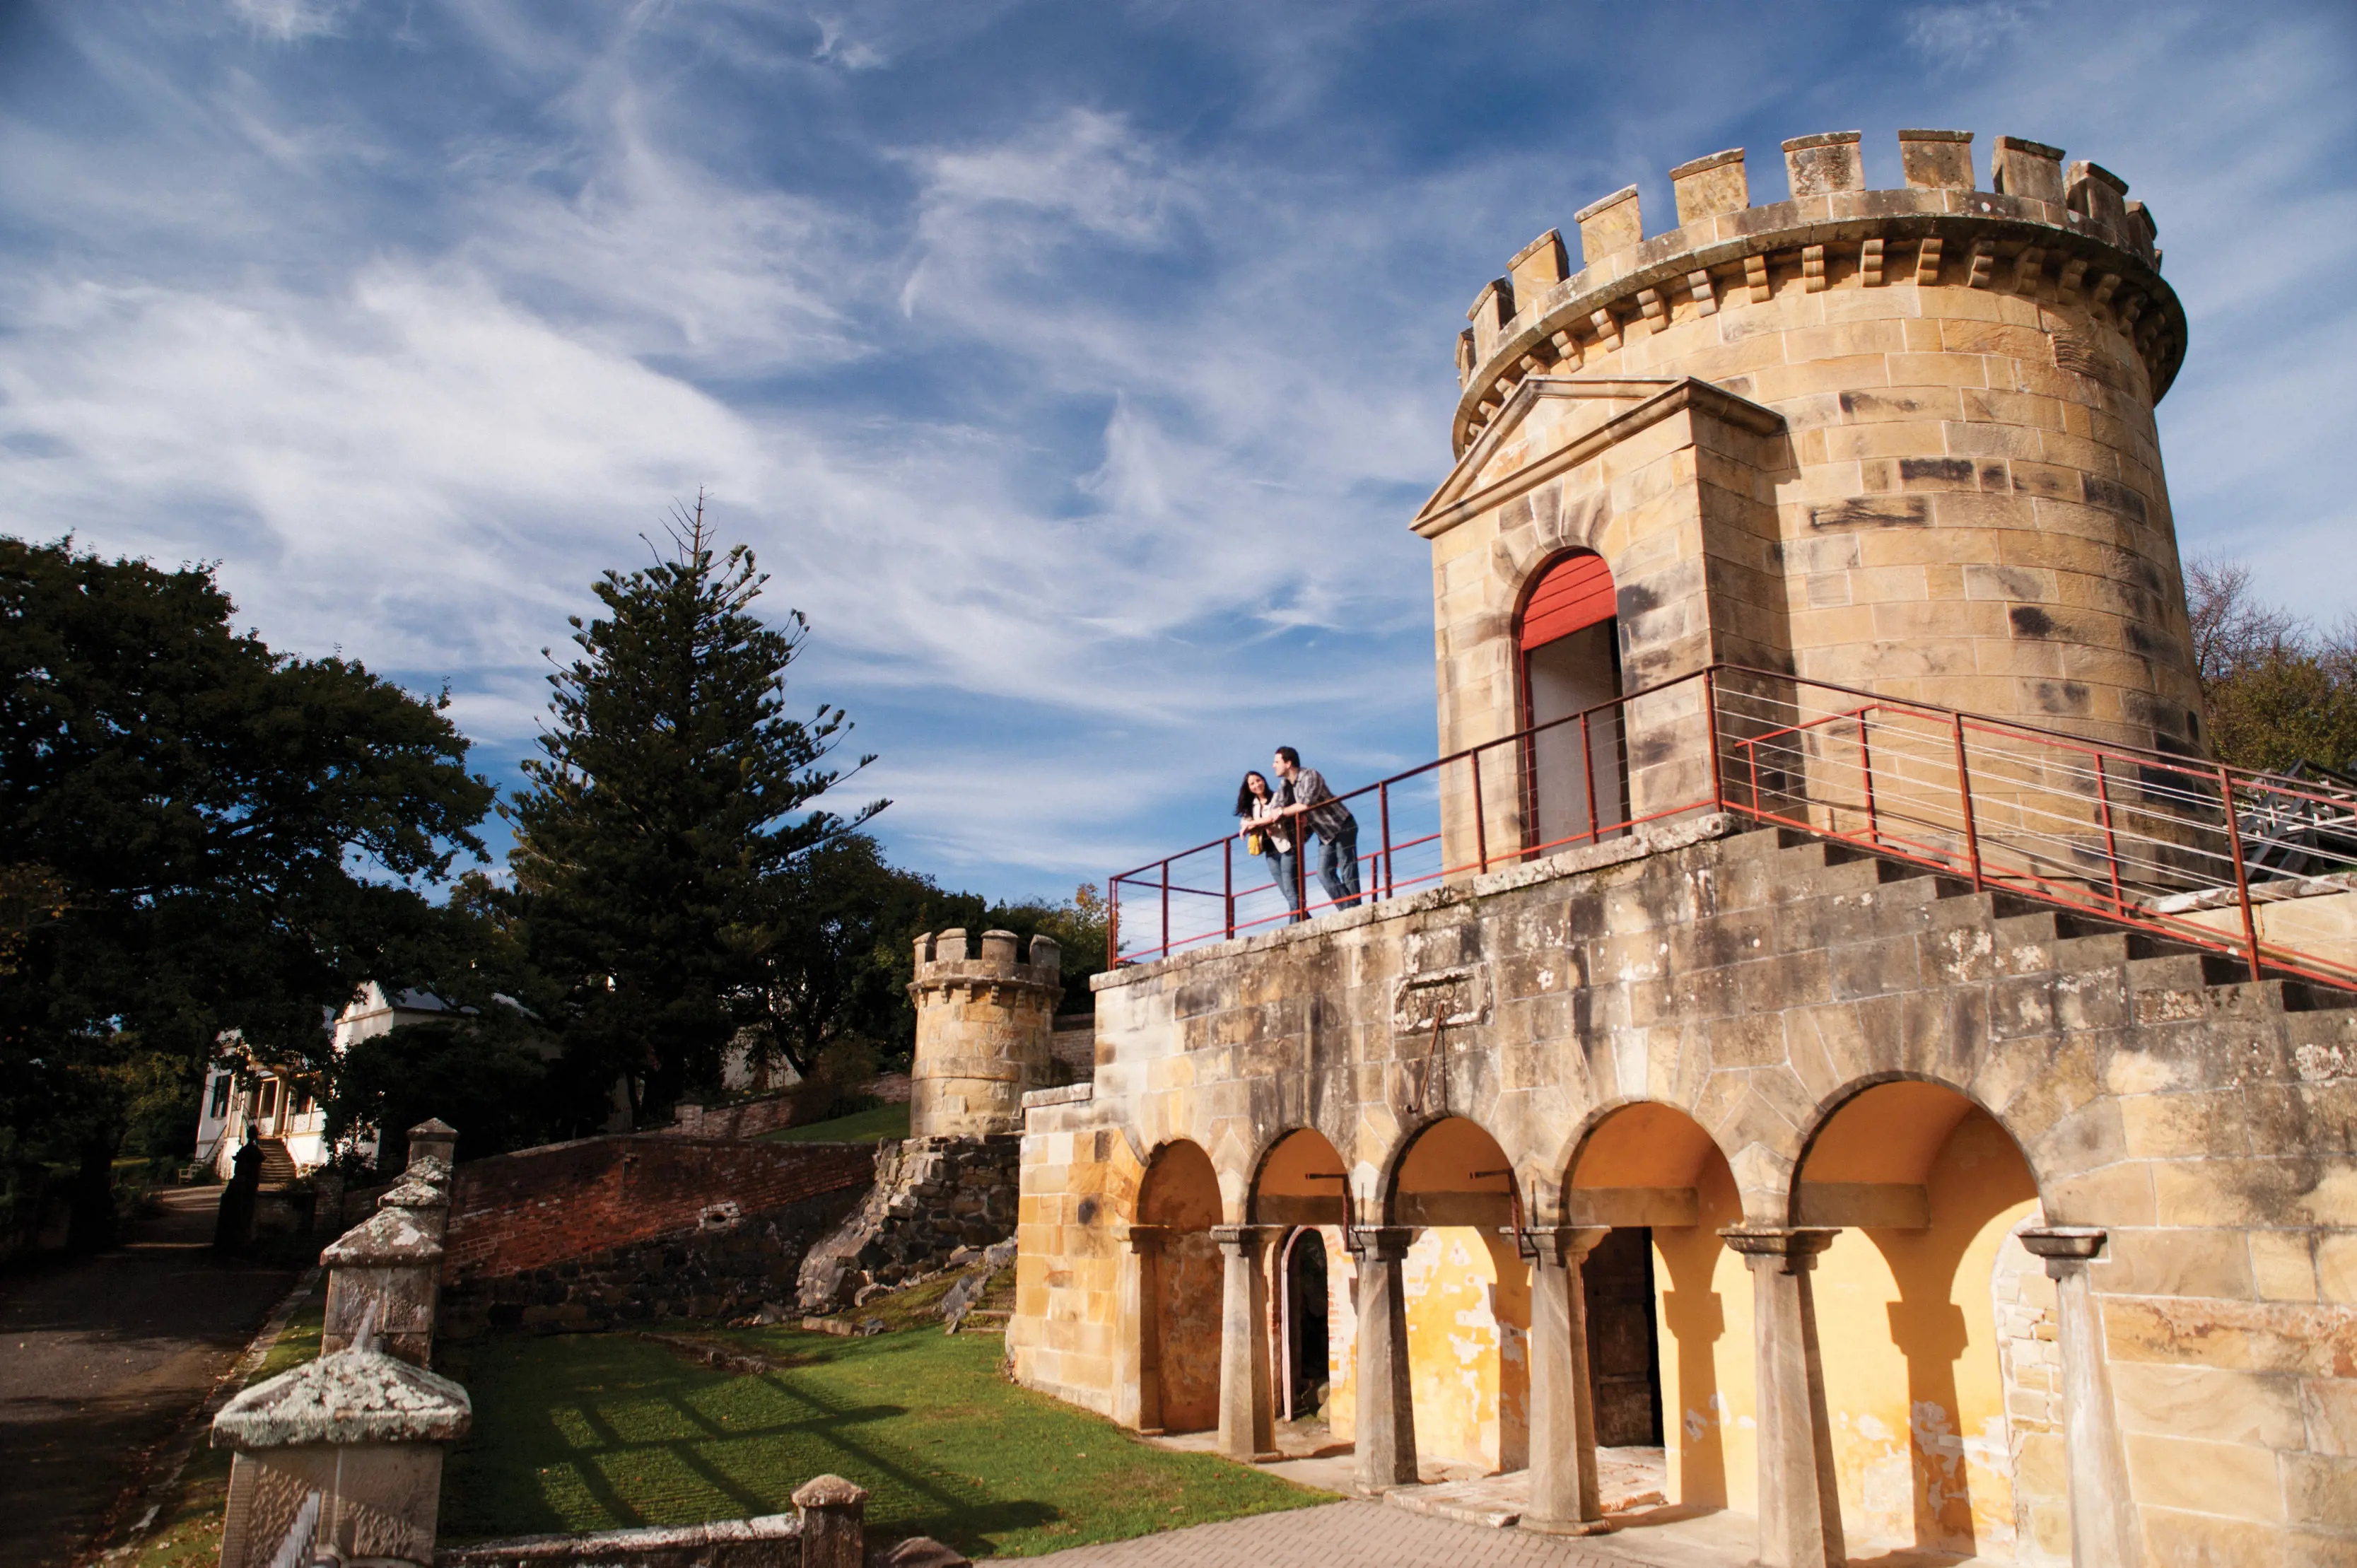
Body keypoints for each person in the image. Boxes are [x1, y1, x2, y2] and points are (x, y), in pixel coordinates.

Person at [1270, 746, 1362, 911]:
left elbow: (1304, 804)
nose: (1273, 765)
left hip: (1341, 824)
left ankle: (1357, 911)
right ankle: (1350, 909)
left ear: (1288, 763)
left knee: (1347, 869)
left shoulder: (1310, 775)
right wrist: (1253, 823)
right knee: (1323, 873)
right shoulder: (1285, 784)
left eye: (1277, 762)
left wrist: (1282, 812)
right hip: (1326, 834)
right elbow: (1274, 809)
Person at [1236, 770, 1305, 923]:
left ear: (1264, 781)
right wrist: (1248, 825)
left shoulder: (1276, 797)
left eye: (1258, 780)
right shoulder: (1252, 806)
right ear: (1248, 788)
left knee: (1291, 891)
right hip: (1270, 853)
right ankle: (1305, 921)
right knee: (1287, 893)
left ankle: (1293, 928)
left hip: (1286, 847)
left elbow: (1272, 818)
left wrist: (1253, 824)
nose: (1256, 785)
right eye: (1252, 783)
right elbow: (1244, 822)